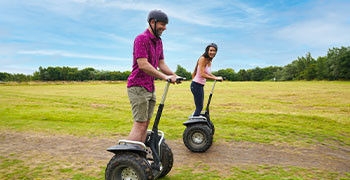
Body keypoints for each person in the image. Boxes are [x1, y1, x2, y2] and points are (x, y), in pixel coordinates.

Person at [126, 10, 179, 143]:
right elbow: (143, 65)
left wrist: (173, 75)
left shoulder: (158, 42)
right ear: (152, 22)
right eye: (162, 24)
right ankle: (129, 157)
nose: (165, 28)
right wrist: (165, 77)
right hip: (138, 87)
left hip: (150, 87)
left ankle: (139, 157)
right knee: (139, 124)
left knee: (145, 124)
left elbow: (161, 63)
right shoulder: (141, 39)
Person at [191, 43, 222, 116]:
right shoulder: (202, 59)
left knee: (200, 107)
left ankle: (196, 122)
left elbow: (208, 73)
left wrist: (216, 77)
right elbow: (202, 74)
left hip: (200, 85)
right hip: (196, 85)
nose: (212, 52)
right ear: (207, 51)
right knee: (199, 107)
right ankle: (193, 125)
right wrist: (215, 78)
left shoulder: (209, 60)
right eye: (211, 50)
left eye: (214, 51)